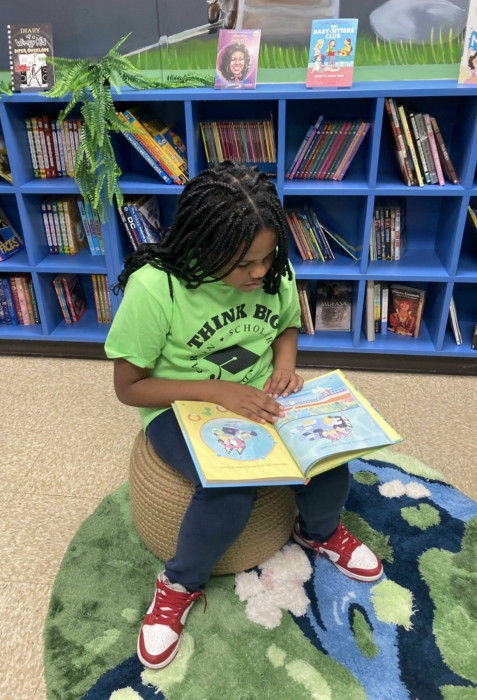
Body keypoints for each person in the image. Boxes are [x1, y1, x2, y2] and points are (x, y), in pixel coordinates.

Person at [105, 161, 383, 671]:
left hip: (260, 395)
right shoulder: (155, 287)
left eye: (267, 258)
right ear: (201, 246)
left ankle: (318, 532)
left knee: (327, 459)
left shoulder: (272, 271)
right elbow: (129, 387)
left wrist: (284, 368)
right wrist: (217, 391)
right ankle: (179, 584)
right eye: (242, 263)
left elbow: (286, 327)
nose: (259, 272)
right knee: (230, 491)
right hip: (177, 405)